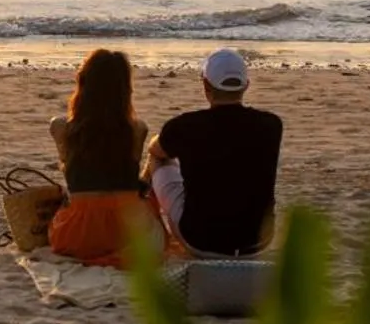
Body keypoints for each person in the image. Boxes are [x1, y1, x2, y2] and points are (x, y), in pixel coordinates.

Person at [147, 47, 283, 256]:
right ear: (246, 85)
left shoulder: (185, 126)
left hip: (201, 242)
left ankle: (147, 218)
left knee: (159, 159)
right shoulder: (271, 125)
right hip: (257, 242)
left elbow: (155, 149)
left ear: (205, 85)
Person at [46, 49, 162, 266]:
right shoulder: (137, 129)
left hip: (77, 235)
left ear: (83, 84)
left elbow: (70, 172)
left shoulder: (60, 128)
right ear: (125, 90)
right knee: (156, 161)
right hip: (127, 232)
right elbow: (129, 177)